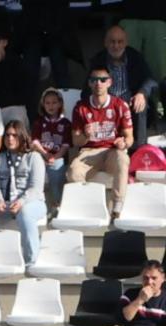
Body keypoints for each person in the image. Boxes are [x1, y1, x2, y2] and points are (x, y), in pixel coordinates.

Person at [68, 63, 134, 216]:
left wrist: (123, 142)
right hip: (89, 151)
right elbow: (75, 141)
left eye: (103, 79)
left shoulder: (120, 105)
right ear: (89, 83)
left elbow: (130, 137)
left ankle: (117, 205)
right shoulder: (81, 107)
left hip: (111, 150)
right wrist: (85, 136)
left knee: (123, 158)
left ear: (110, 82)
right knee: (73, 172)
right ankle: (88, 207)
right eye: (94, 80)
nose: (98, 83)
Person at [0, 121, 47, 263]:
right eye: (7, 135)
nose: (10, 139)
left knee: (26, 212)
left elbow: (36, 188)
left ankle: (32, 260)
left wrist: (21, 202)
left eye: (14, 135)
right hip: (5, 203)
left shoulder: (34, 157)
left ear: (22, 136)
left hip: (32, 203)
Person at [91, 25, 157, 149]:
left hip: (130, 104)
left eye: (120, 41)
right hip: (106, 106)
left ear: (126, 42)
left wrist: (142, 93)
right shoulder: (98, 60)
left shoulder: (135, 57)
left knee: (141, 105)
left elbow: (151, 80)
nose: (116, 46)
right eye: (112, 42)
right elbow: (86, 89)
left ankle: (139, 149)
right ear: (105, 43)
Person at [31, 87, 70, 206]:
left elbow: (66, 145)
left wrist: (55, 157)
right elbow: (35, 142)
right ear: (43, 104)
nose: (50, 106)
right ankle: (35, 201)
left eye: (54, 102)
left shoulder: (66, 123)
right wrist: (45, 154)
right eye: (47, 103)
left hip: (58, 157)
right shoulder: (38, 122)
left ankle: (57, 202)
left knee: (56, 167)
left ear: (60, 104)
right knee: (34, 162)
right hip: (42, 154)